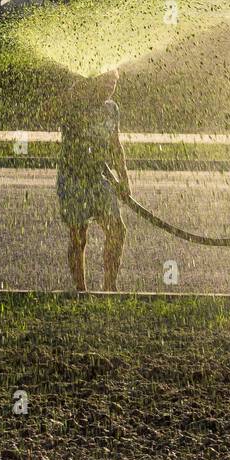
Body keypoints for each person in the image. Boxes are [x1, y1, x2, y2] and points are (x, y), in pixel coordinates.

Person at [57, 68, 130, 292]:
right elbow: (46, 112)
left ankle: (110, 286)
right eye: (106, 82)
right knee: (79, 236)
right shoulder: (74, 104)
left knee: (117, 230)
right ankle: (81, 290)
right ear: (93, 82)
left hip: (98, 178)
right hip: (72, 179)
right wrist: (73, 93)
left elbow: (115, 145)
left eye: (114, 83)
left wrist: (124, 178)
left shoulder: (111, 109)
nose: (110, 88)